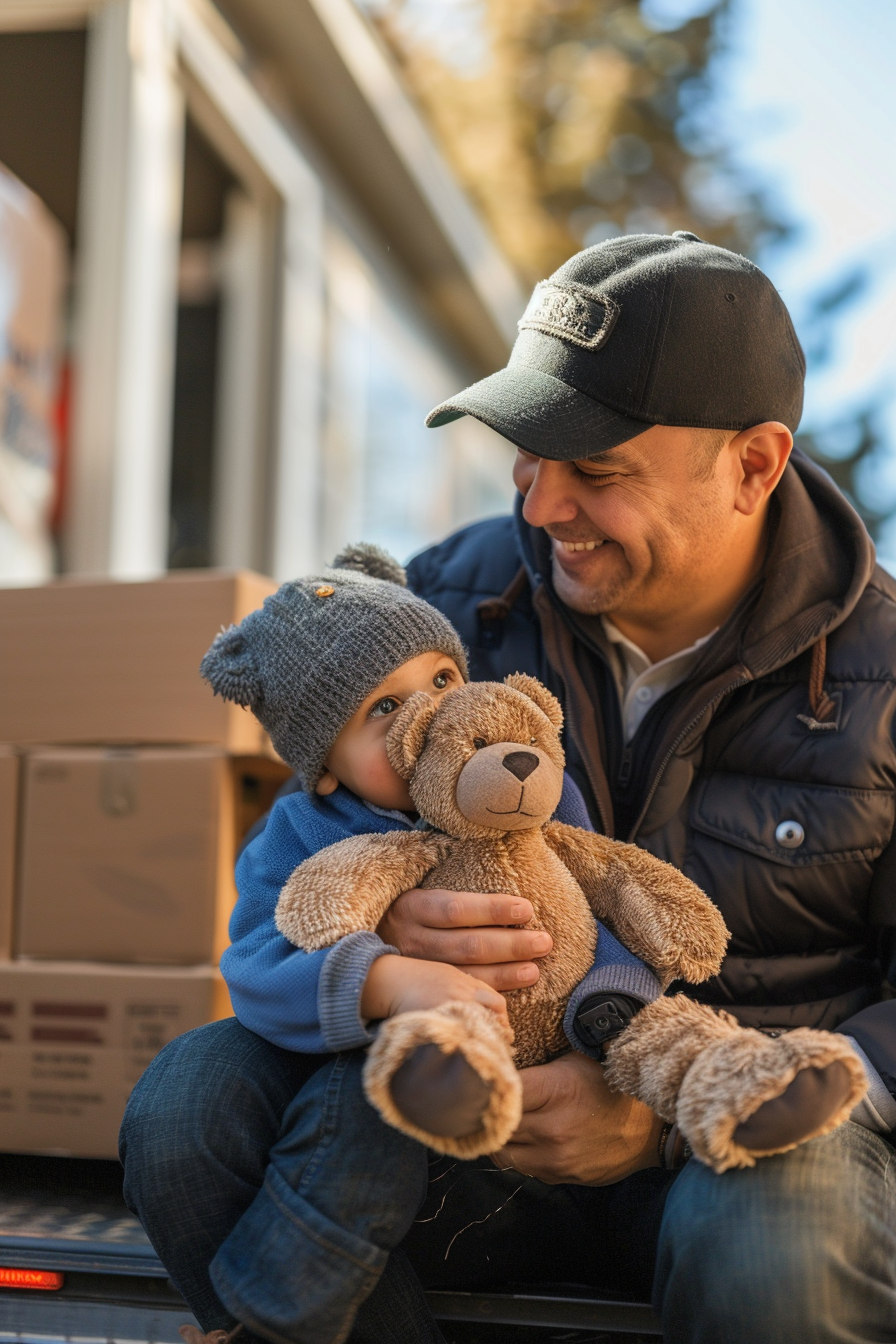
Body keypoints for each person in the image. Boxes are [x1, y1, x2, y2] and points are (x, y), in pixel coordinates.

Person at [122, 232, 896, 1342]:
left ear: (752, 466)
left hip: (727, 1145)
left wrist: (666, 1117)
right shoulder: (446, 605)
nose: (539, 509)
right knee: (189, 1105)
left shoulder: (883, 680)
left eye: (598, 470)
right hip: (444, 1114)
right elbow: (312, 844)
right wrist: (382, 935)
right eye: (525, 455)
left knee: (781, 1255)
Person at [144, 543, 664, 1344]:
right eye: (383, 709)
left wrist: (614, 1016)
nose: (430, 717)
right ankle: (276, 1312)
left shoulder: (521, 790)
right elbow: (256, 961)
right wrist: (385, 979)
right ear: (324, 768)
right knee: (347, 1094)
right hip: (402, 1110)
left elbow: (612, 920)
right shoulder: (303, 831)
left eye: (443, 681)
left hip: (541, 1107)